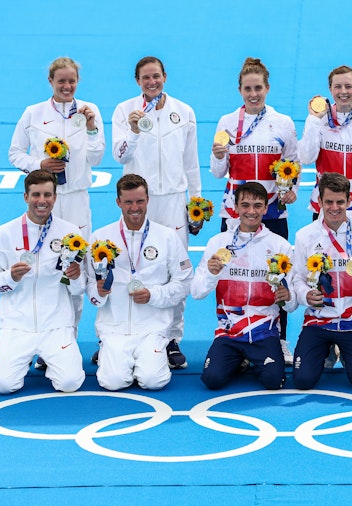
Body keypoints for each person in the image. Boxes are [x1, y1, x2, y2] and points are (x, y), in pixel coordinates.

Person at [111, 55, 202, 369]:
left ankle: (172, 338)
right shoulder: (125, 111)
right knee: (133, 265)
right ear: (138, 81)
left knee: (176, 269)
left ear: (165, 76)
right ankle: (120, 333)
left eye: (156, 77)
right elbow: (119, 153)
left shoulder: (184, 112)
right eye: (145, 78)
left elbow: (191, 162)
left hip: (175, 201)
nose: (152, 83)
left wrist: (197, 202)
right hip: (140, 203)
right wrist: (134, 130)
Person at [210, 57, 299, 366]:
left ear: (267, 88)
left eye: (258, 88)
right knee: (231, 276)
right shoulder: (225, 123)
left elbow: (293, 163)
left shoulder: (283, 123)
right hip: (235, 215)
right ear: (239, 90)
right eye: (247, 89)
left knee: (277, 278)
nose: (253, 94)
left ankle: (280, 338)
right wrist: (220, 156)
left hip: (273, 214)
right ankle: (229, 333)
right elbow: (217, 172)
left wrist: (292, 190)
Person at [0, 169, 86, 394]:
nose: (42, 201)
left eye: (47, 195)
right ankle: (24, 357)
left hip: (55, 324)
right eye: (36, 194)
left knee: (70, 383)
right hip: (18, 325)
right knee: (2, 385)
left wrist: (76, 277)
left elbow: (79, 289)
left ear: (55, 198)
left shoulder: (71, 234)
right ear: (26, 197)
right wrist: (11, 276)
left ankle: (52, 358)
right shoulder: (5, 233)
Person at [85, 174, 193, 391]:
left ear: (147, 200)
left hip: (152, 328)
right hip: (114, 328)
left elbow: (184, 282)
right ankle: (111, 351)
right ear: (118, 202)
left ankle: (150, 356)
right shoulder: (99, 238)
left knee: (153, 381)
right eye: (128, 202)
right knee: (112, 382)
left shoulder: (167, 237)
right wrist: (99, 292)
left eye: (140, 201)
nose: (135, 207)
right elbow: (89, 287)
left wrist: (153, 295)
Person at [191, 182, 298, 390]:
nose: (251, 211)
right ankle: (240, 358)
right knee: (212, 380)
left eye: (258, 206)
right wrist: (212, 275)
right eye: (246, 205)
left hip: (264, 332)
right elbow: (196, 292)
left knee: (273, 381)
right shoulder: (218, 243)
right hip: (229, 331)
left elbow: (291, 306)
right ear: (236, 207)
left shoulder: (280, 246)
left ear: (266, 208)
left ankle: (250, 359)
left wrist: (288, 296)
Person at [291, 173, 352, 390]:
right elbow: (297, 278)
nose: (334, 207)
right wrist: (304, 295)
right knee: (303, 380)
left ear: (349, 201)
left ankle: (345, 351)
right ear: (319, 202)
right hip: (317, 321)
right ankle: (327, 349)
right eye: (328, 202)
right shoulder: (305, 236)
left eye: (340, 202)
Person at [8, 56, 105, 240]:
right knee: (44, 252)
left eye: (72, 81)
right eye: (61, 81)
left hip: (77, 198)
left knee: (79, 255)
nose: (67, 86)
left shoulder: (90, 110)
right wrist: (40, 165)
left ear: (78, 81)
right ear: (50, 80)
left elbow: (96, 159)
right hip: (44, 197)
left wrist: (91, 129)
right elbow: (15, 153)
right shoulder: (33, 113)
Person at [297, 65, 352, 220]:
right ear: (330, 89)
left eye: (348, 86)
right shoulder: (319, 120)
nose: (343, 92)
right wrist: (313, 119)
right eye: (337, 86)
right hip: (326, 205)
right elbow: (306, 158)